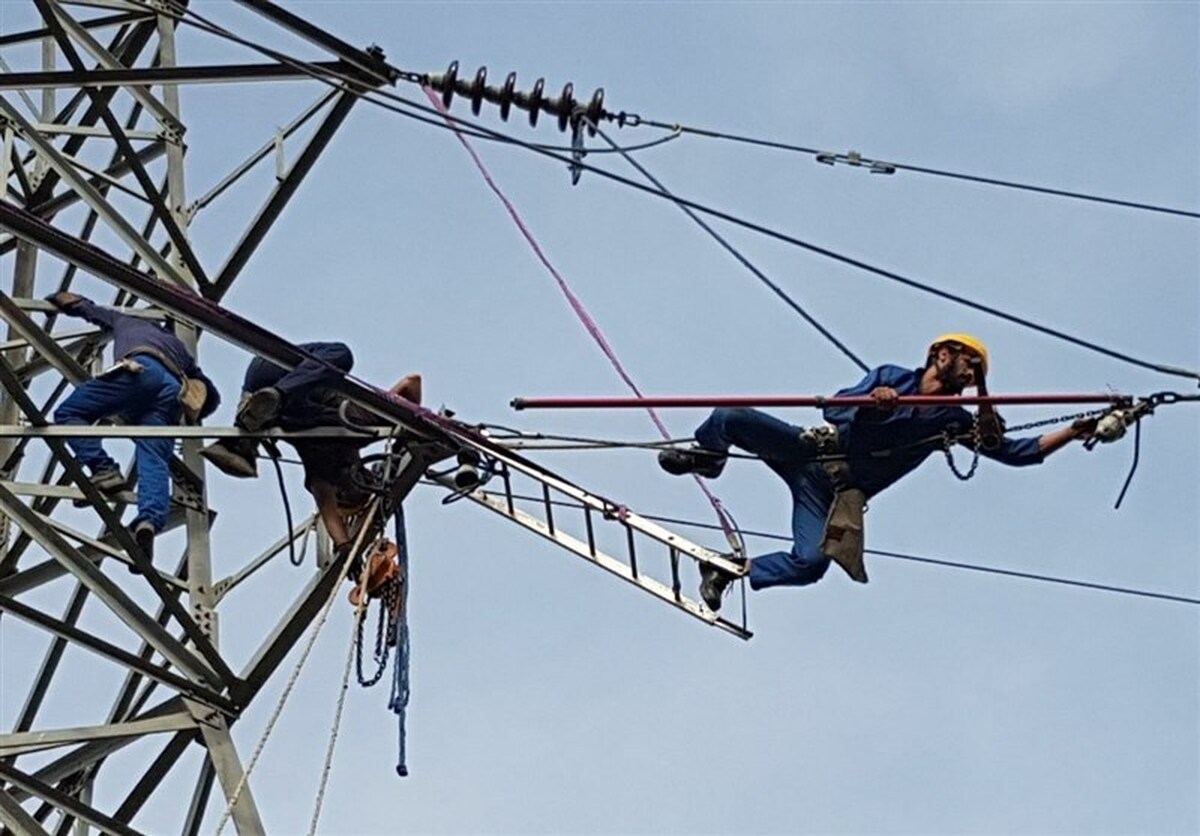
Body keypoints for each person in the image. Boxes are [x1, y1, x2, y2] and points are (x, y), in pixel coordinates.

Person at [657, 334, 1100, 611]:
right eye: (967, 361)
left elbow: (1015, 452)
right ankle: (710, 456)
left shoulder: (956, 421)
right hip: (808, 453)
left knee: (812, 563)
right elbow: (834, 408)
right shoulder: (893, 376)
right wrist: (871, 404)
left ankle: (728, 570)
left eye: (976, 369)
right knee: (730, 416)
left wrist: (1073, 432)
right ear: (941, 355)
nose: (969, 371)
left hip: (833, 491)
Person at [199, 342, 422, 557]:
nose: (346, 488)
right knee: (341, 353)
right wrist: (406, 436)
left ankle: (257, 416)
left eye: (343, 495)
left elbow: (328, 512)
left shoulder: (321, 471)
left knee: (337, 360)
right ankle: (268, 403)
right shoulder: (370, 426)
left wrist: (345, 548)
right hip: (283, 372)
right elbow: (412, 382)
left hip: (270, 387)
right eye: (351, 492)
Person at [48, 291, 219, 559]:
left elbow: (81, 305)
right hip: (171, 390)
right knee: (154, 457)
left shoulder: (125, 320)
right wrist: (197, 413)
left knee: (68, 414)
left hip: (140, 371)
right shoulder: (178, 346)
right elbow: (208, 392)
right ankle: (148, 521)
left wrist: (55, 299)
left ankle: (103, 470)